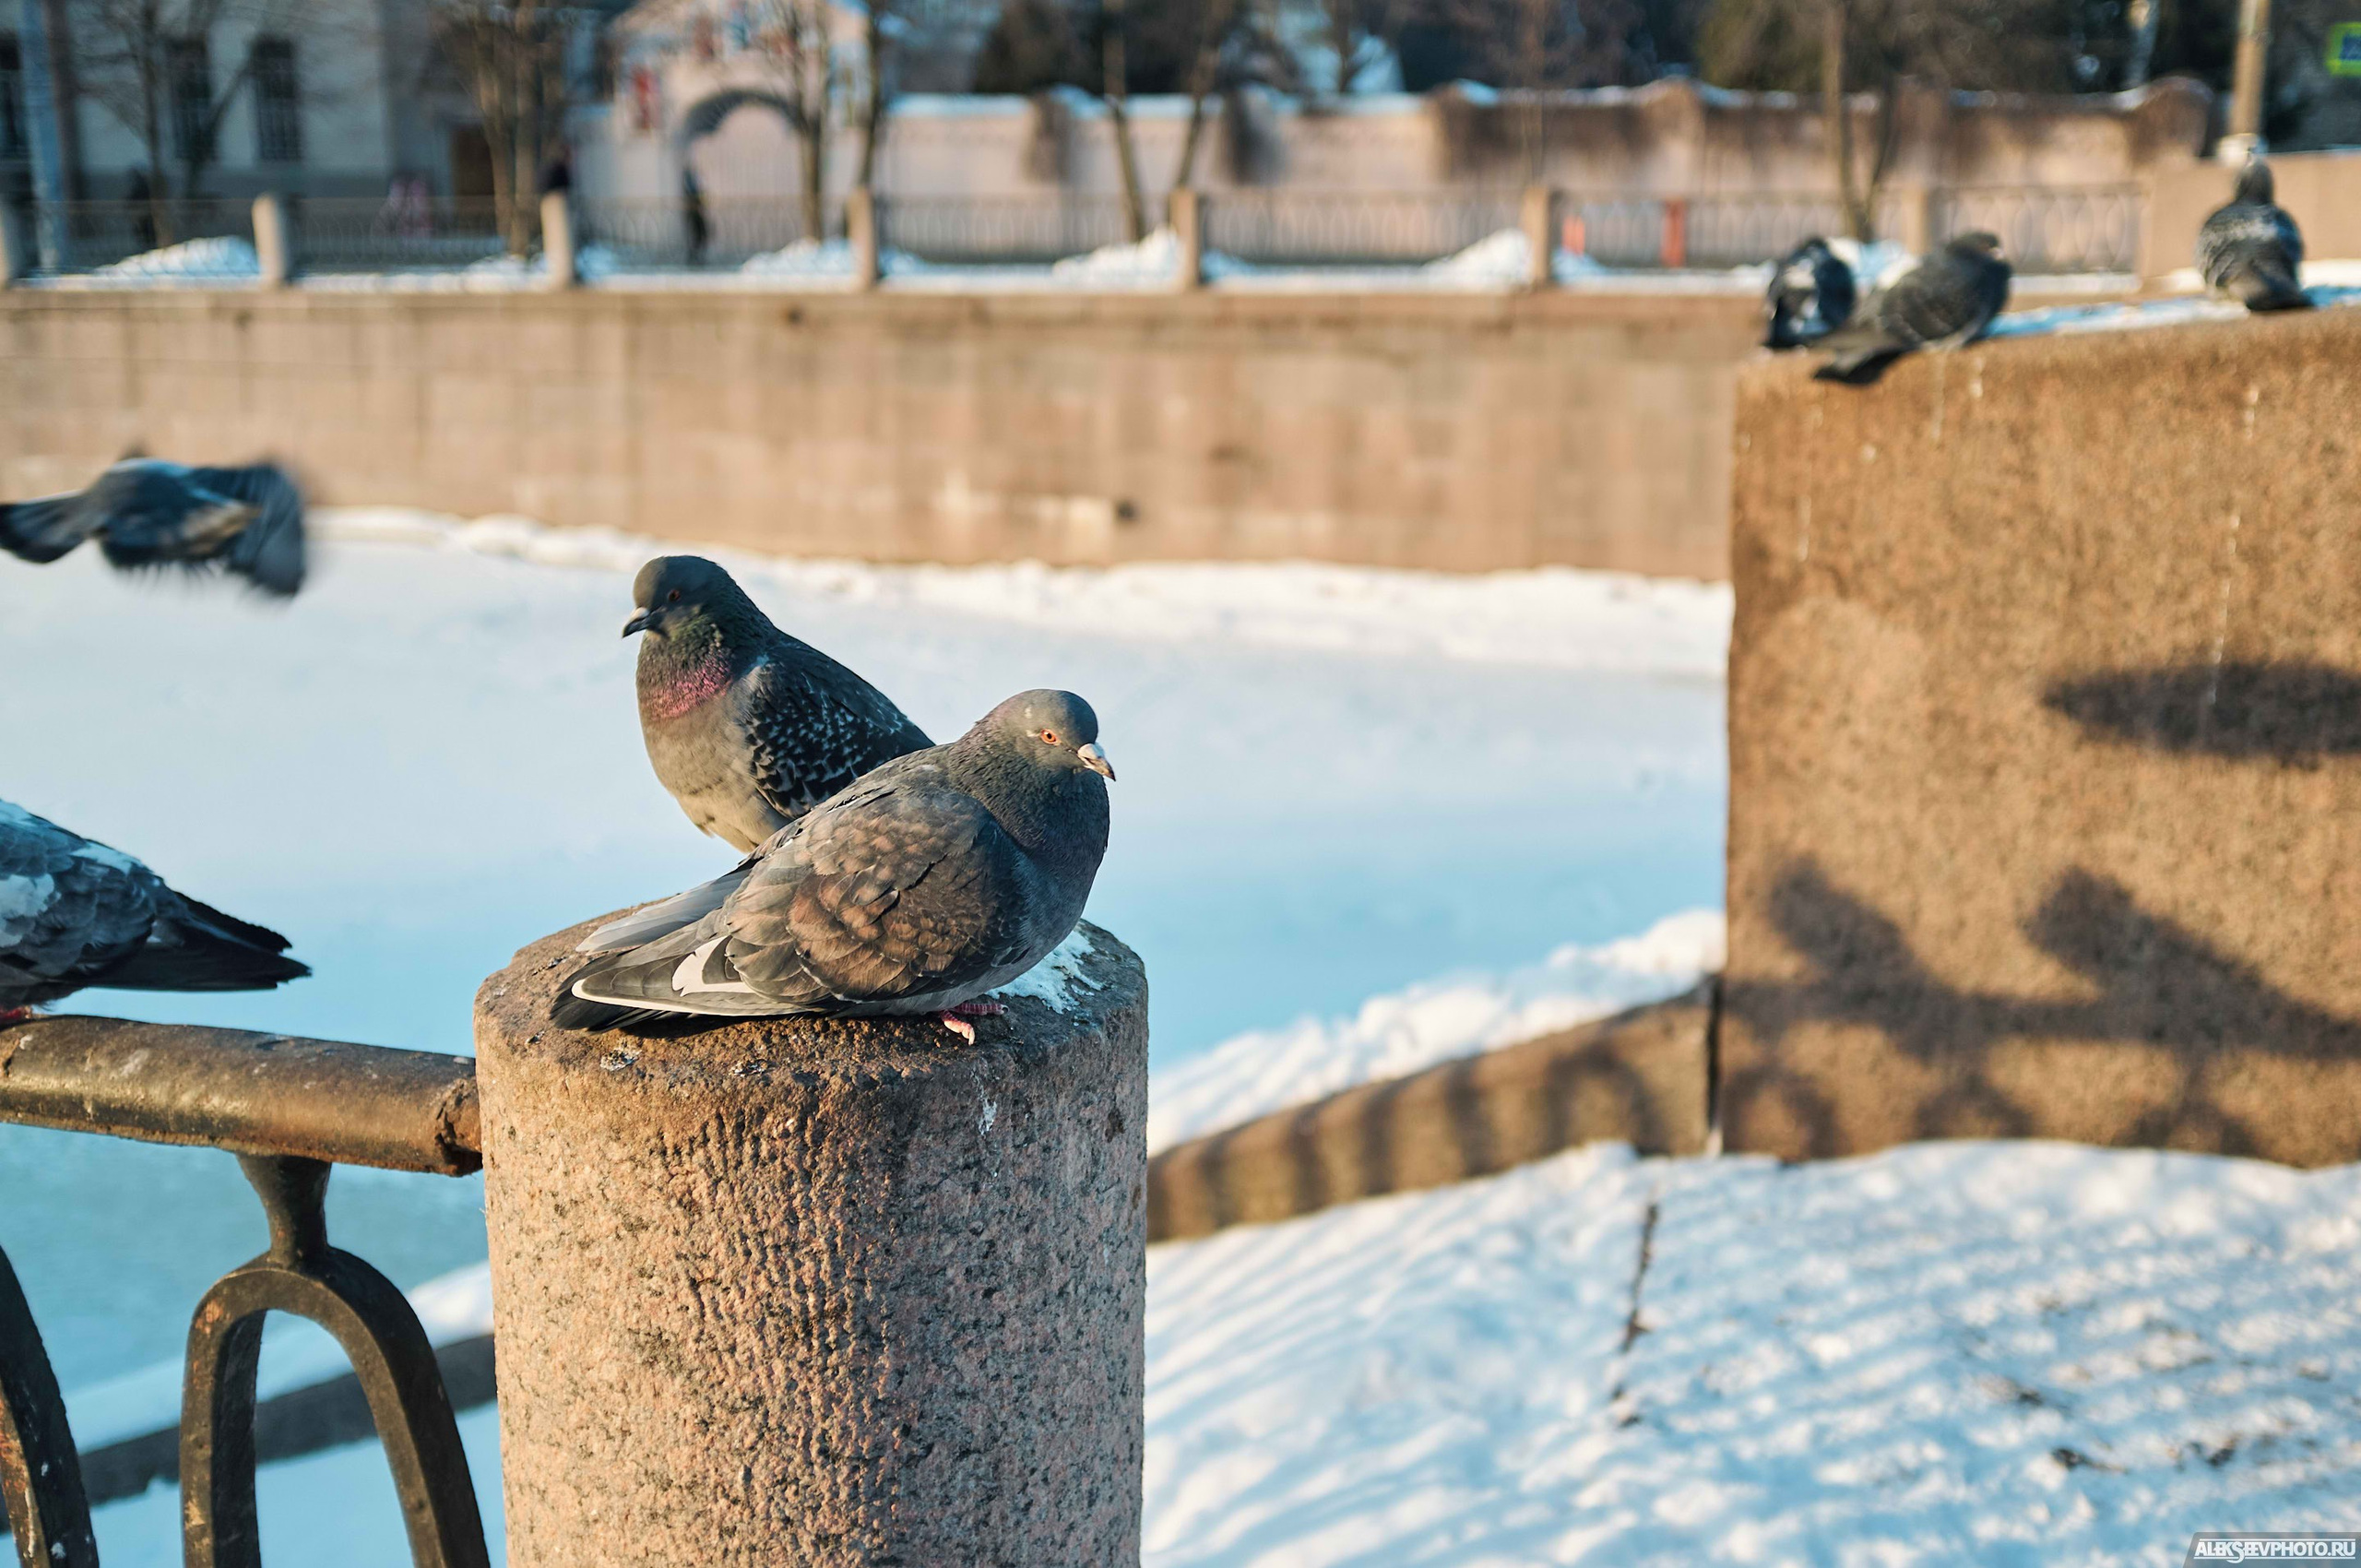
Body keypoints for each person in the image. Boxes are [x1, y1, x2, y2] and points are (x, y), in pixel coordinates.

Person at [682, 165, 709, 265]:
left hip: (698, 215)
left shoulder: (693, 185)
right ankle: (694, 258)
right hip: (694, 216)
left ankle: (698, 257)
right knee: (695, 237)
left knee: (700, 237)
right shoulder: (689, 186)